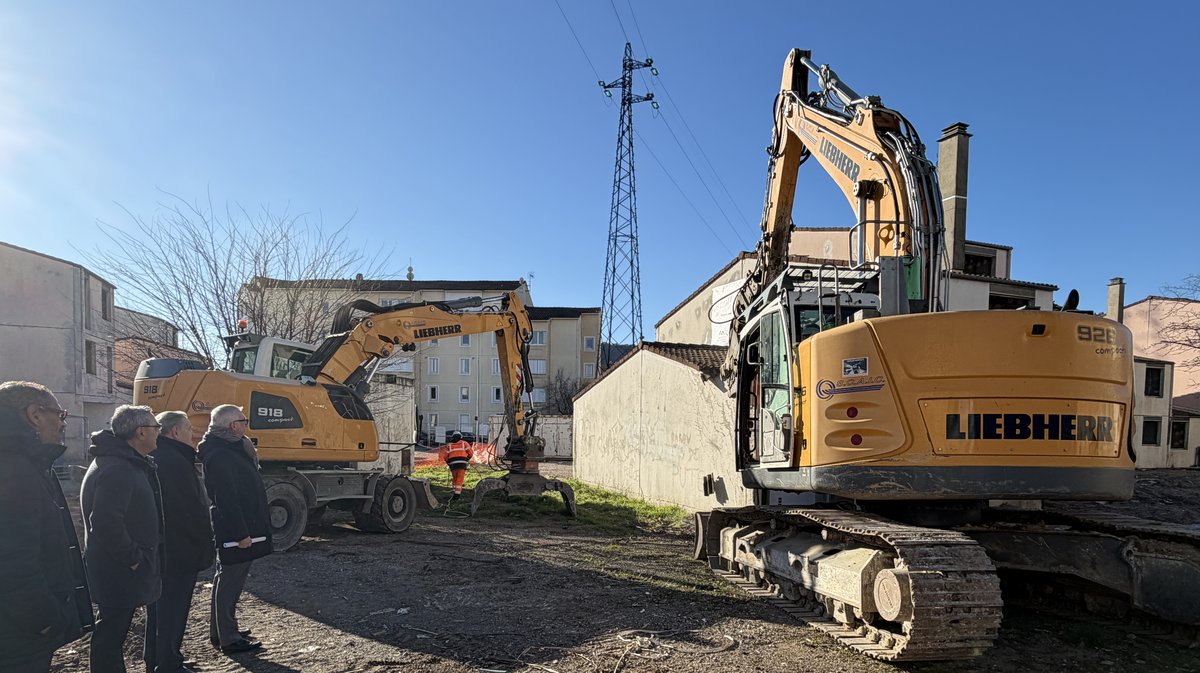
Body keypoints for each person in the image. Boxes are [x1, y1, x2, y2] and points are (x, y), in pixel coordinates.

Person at [0, 381, 93, 673]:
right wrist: (45, 621)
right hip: (17, 637)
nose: (63, 423)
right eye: (60, 414)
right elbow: (13, 560)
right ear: (35, 415)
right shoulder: (15, 470)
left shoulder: (26, 463)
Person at [81, 404, 164, 673]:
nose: (158, 432)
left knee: (112, 631)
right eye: (155, 427)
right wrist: (135, 560)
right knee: (110, 634)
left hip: (116, 567)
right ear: (140, 432)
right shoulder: (119, 468)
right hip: (117, 569)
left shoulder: (121, 461)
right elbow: (105, 522)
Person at [198, 404, 272, 654]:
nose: (246, 425)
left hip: (241, 527)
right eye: (243, 421)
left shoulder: (228, 448)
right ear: (232, 426)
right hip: (236, 532)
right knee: (230, 582)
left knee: (226, 580)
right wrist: (241, 534)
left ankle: (221, 630)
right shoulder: (220, 455)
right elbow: (226, 498)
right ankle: (228, 638)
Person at [145, 411, 213, 673]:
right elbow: (184, 511)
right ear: (174, 432)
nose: (193, 434)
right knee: (172, 611)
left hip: (169, 550)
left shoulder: (164, 457)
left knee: (160, 610)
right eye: (188, 429)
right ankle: (168, 663)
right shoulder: (173, 461)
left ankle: (159, 658)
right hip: (178, 551)